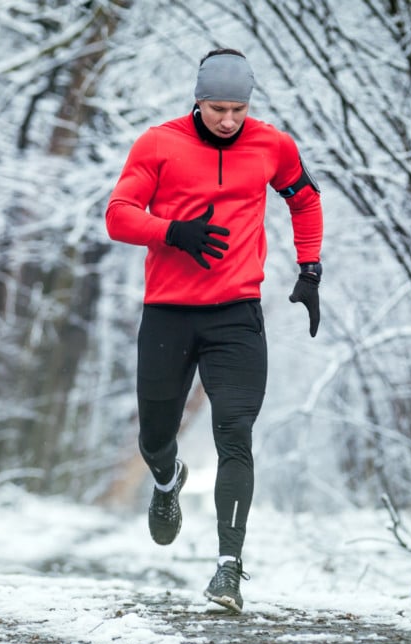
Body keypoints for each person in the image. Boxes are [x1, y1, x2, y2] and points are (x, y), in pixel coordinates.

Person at [104, 48, 324, 612]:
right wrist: (174, 232)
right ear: (197, 101)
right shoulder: (159, 143)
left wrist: (310, 266)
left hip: (236, 315)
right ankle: (165, 478)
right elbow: (119, 214)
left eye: (239, 109)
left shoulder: (272, 145)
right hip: (168, 312)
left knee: (235, 434)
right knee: (155, 432)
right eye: (217, 108)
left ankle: (229, 567)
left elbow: (305, 200)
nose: (229, 120)